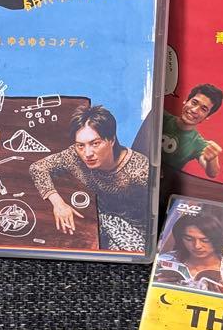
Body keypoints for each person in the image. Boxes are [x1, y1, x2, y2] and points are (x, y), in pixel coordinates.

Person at [29, 105, 150, 252]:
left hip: (134, 229)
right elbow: (38, 168)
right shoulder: (74, 155)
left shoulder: (140, 170)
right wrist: (58, 203)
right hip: (93, 216)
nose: (87, 153)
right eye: (80, 145)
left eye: (95, 143)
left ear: (111, 140)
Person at [155, 212, 223, 293]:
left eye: (205, 240)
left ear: (217, 240)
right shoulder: (160, 261)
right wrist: (154, 284)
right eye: (189, 239)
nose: (197, 246)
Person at [161, 83, 223, 176]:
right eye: (194, 103)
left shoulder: (197, 142)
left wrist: (212, 159)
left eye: (203, 109)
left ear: (207, 117)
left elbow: (212, 173)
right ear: (186, 101)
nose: (194, 110)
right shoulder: (161, 116)